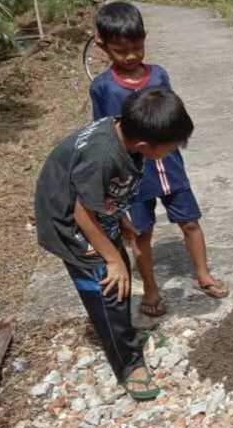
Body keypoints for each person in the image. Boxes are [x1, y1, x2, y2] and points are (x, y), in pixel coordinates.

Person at [34, 87, 193, 400]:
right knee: (108, 286)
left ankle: (125, 334)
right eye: (170, 148)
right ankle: (128, 363)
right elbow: (82, 212)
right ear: (146, 145)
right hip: (69, 223)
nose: (173, 153)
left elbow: (101, 192)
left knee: (119, 271)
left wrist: (118, 216)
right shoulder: (103, 157)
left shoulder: (125, 134)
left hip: (94, 214)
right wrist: (112, 259)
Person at [89, 1, 229, 318]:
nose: (131, 56)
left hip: (172, 168)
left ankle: (203, 274)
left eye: (137, 47)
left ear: (145, 38)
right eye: (120, 50)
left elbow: (173, 117)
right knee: (141, 233)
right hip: (133, 178)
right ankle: (151, 289)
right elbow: (103, 138)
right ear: (102, 46)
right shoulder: (102, 87)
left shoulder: (160, 75)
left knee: (190, 222)